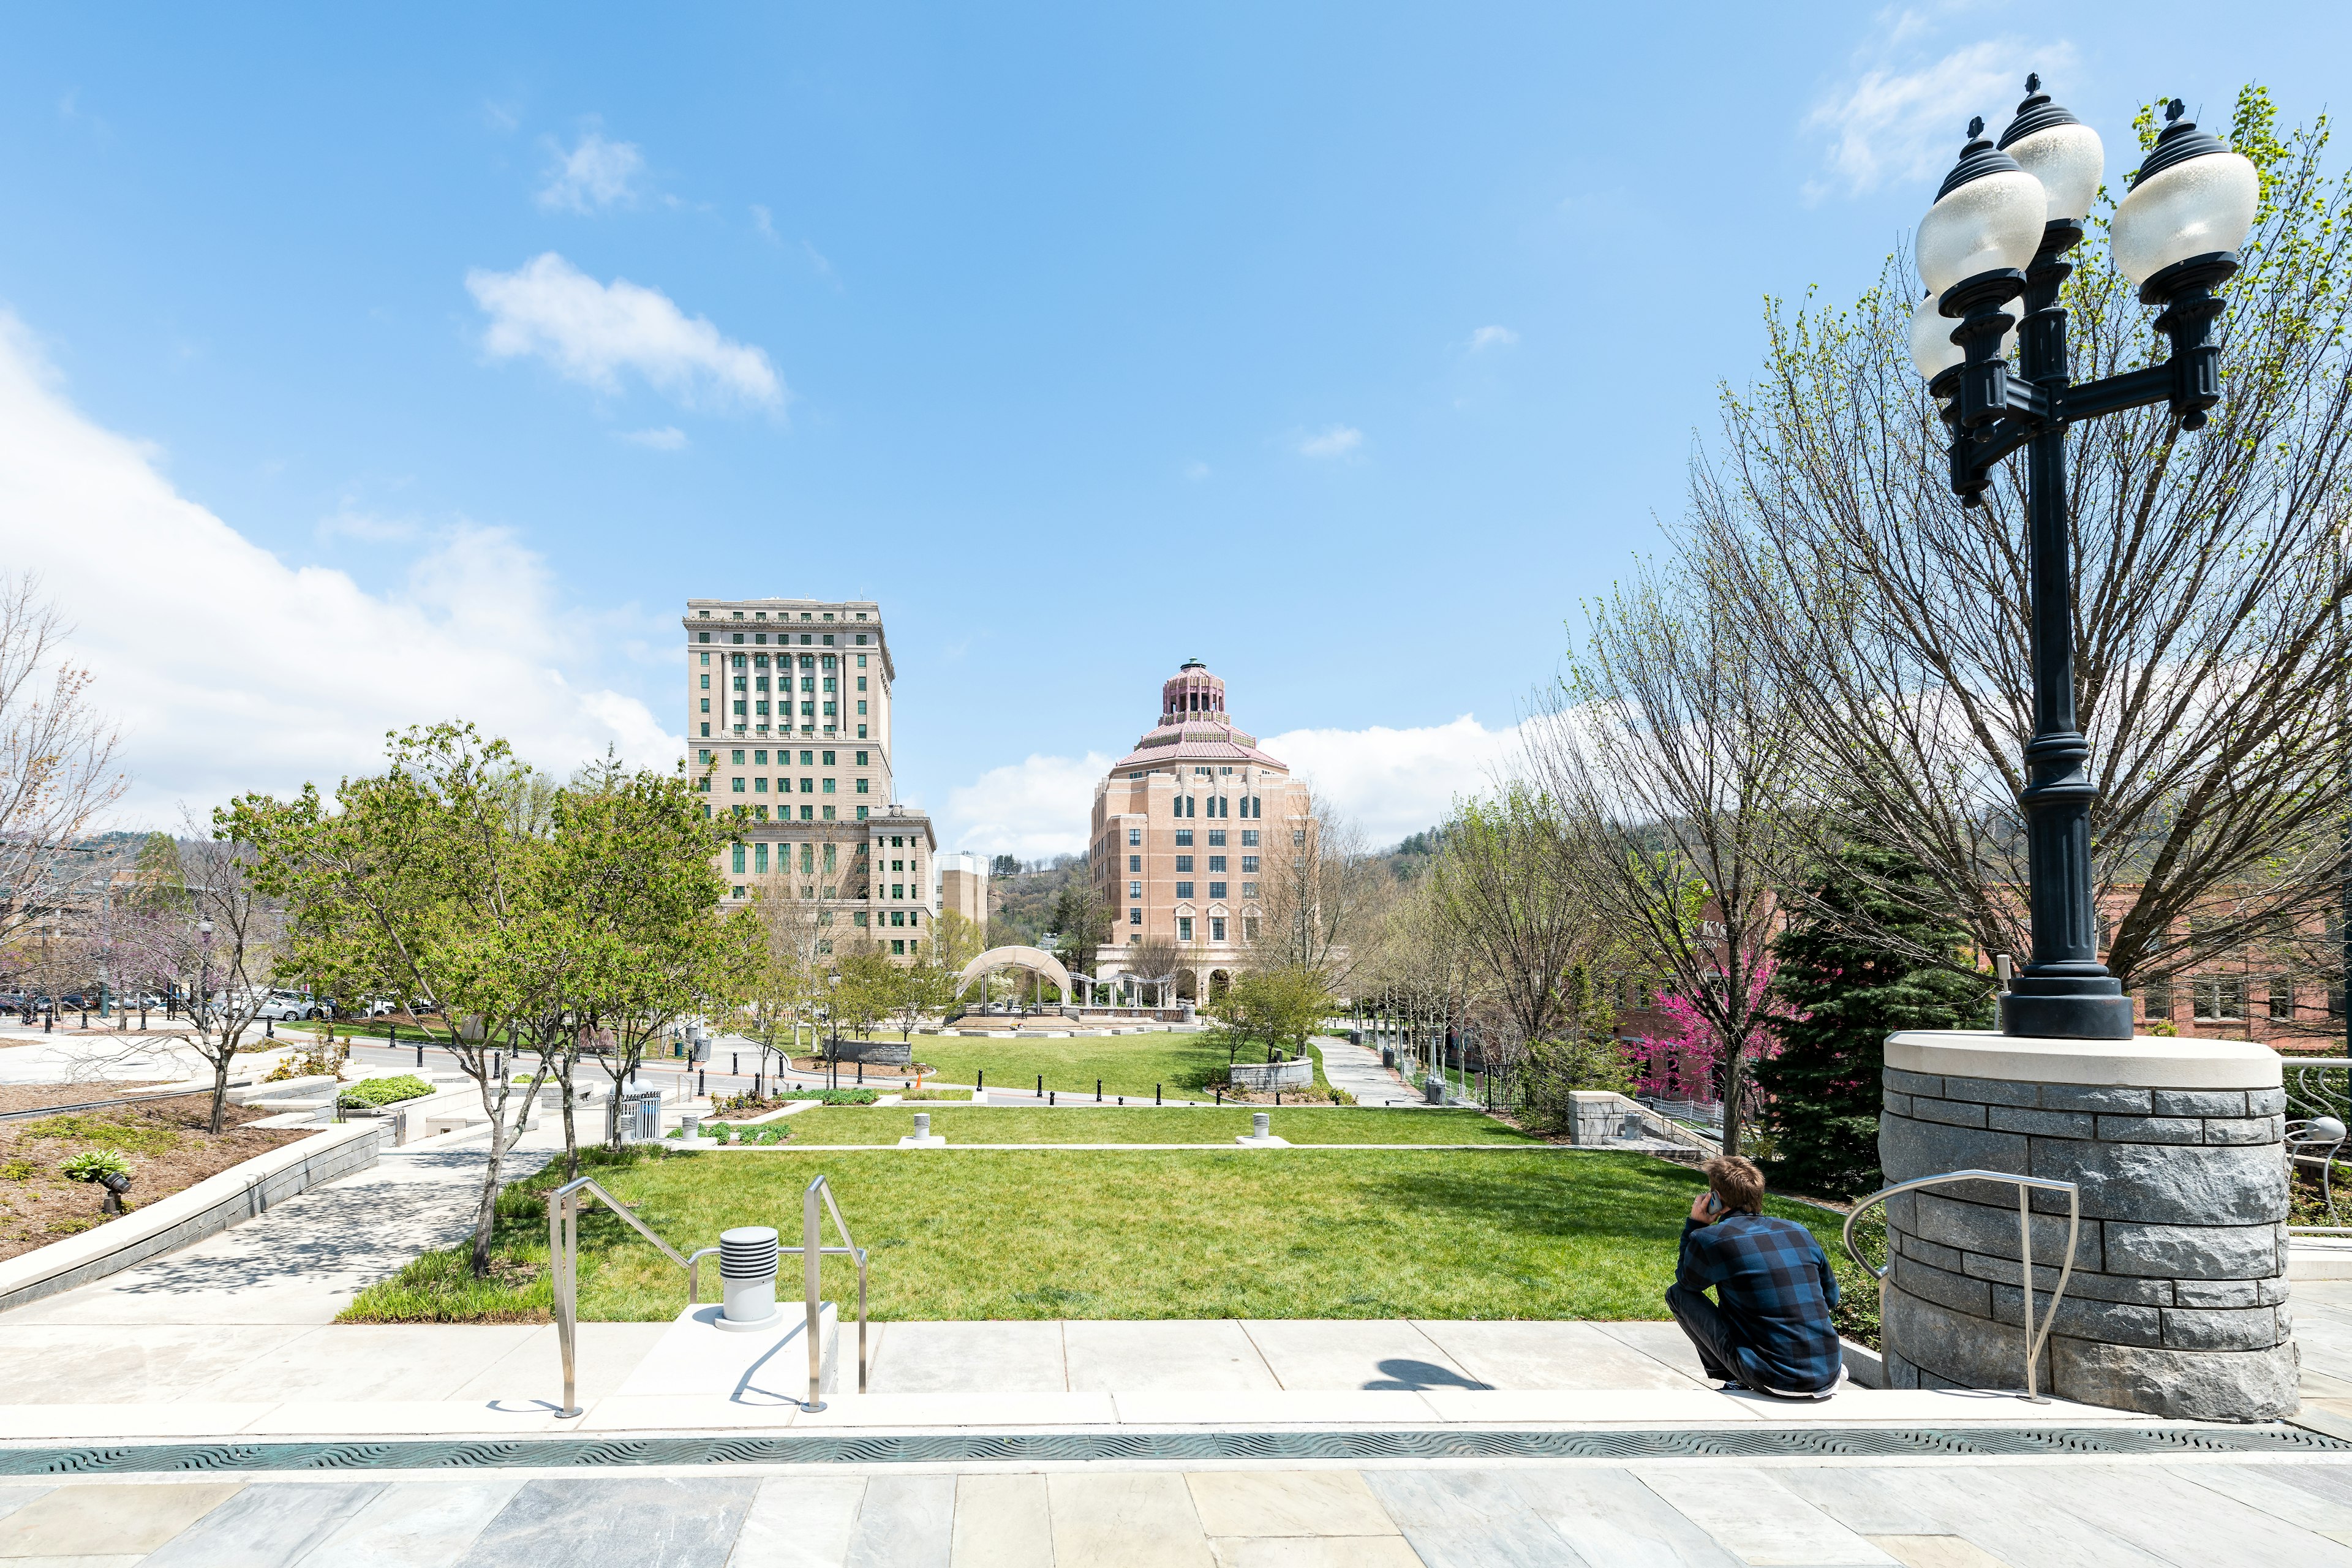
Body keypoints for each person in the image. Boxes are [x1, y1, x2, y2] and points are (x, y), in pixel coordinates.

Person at [1665, 1154, 1845, 1398]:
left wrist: (1695, 1225)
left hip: (1774, 1378)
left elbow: (1688, 1282)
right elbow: (1831, 1299)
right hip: (1829, 1373)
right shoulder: (1798, 1231)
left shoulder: (1711, 1239)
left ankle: (1734, 1378)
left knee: (1678, 1294)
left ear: (1716, 1198)